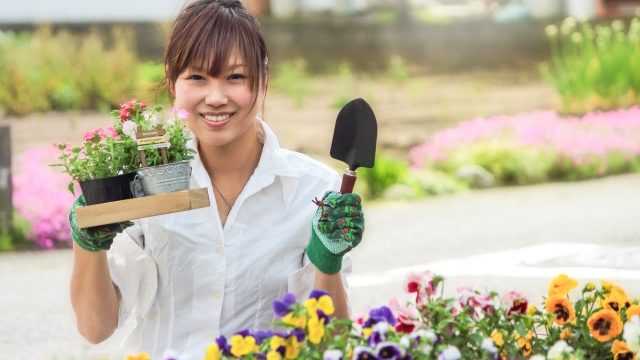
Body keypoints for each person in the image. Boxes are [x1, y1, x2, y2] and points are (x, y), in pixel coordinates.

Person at [68, 0, 365, 359]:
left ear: (263, 77)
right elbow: (95, 328)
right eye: (197, 77)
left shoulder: (314, 190)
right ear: (172, 80)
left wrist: (327, 261)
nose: (216, 97)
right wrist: (87, 244)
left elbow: (331, 345)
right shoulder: (140, 185)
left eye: (235, 77)